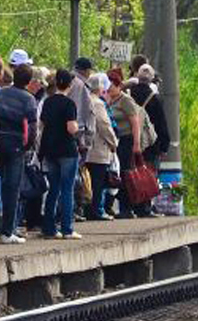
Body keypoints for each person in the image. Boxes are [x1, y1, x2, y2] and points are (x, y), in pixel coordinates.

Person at [0, 62, 38, 244]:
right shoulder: (28, 99)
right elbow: (33, 128)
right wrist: (27, 147)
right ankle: (7, 231)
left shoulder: (1, 93)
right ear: (28, 81)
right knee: (12, 188)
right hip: (15, 145)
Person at [37, 67, 82, 240]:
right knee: (67, 189)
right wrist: (78, 128)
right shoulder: (69, 104)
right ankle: (67, 228)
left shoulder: (48, 101)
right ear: (69, 85)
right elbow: (71, 128)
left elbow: (41, 125)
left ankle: (49, 228)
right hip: (67, 150)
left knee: (53, 188)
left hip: (50, 149)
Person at [107, 74, 148, 216]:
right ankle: (114, 205)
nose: (108, 89)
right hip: (115, 141)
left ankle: (126, 207)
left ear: (119, 86)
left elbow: (135, 122)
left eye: (111, 86)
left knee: (126, 173)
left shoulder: (125, 100)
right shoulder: (109, 100)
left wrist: (136, 144)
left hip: (127, 139)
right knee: (116, 174)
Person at [83, 72, 119, 220]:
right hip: (98, 149)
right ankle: (96, 211)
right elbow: (104, 125)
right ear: (99, 88)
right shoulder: (97, 103)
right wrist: (113, 142)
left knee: (87, 182)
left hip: (87, 148)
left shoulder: (83, 101)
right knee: (98, 182)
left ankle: (86, 209)